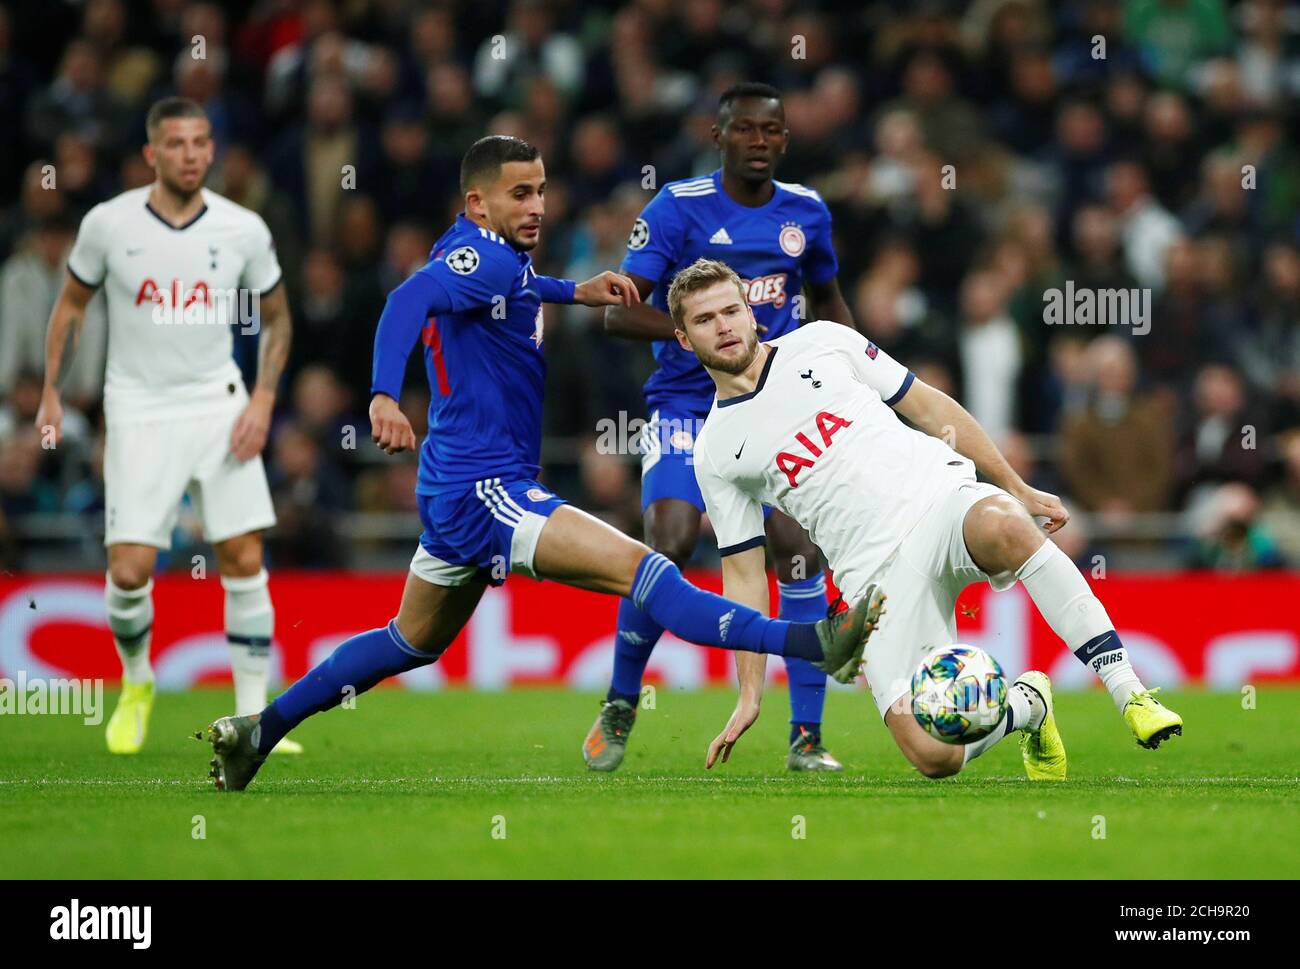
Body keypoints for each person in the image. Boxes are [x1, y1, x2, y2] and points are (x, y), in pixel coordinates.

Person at [203, 137, 884, 792]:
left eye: (542, 192)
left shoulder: (495, 257)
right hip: (488, 488)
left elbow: (512, 285)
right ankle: (814, 641)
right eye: (520, 193)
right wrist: (383, 392)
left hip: (452, 489)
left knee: (408, 642)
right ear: (478, 202)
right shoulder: (478, 258)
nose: (537, 206)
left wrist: (573, 291)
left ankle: (258, 730)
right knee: (650, 572)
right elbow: (407, 300)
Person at [666, 258, 1183, 781]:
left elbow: (930, 407)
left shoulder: (824, 341)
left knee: (1005, 524)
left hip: (938, 500)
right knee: (933, 757)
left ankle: (1130, 692)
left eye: (732, 310)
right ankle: (1028, 707)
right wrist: (749, 694)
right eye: (706, 319)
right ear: (685, 339)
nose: (724, 326)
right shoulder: (716, 451)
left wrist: (1014, 485)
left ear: (753, 314)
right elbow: (746, 573)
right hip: (873, 578)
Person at [594, 82, 857, 772]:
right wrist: (697, 338)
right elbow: (618, 312)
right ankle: (623, 698)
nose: (760, 142)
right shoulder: (677, 208)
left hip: (780, 407)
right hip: (686, 406)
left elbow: (826, 297)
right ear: (719, 137)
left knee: (798, 551)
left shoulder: (808, 212)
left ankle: (806, 736)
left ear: (784, 140)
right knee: (672, 540)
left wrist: (854, 377)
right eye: (745, 130)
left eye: (772, 132)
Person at [35, 97, 299, 755]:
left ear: (213, 150)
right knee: (128, 570)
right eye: (177, 144)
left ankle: (251, 718)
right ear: (152, 154)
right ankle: (137, 679)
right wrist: (49, 393)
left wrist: (263, 400)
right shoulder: (107, 224)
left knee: (242, 556)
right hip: (139, 407)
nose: (191, 154)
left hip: (220, 403)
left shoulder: (244, 228)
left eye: (201, 142)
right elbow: (70, 307)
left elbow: (279, 318)